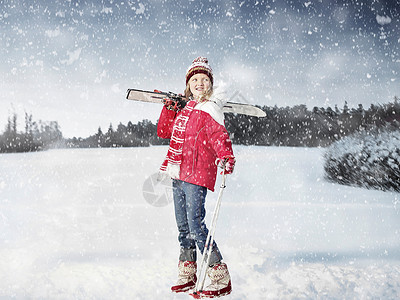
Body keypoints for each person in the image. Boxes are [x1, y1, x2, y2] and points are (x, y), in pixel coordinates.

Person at [157, 57, 235, 298]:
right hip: (178, 172)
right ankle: (187, 272)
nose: (199, 83)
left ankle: (220, 276)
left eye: (203, 79)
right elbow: (164, 132)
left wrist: (226, 156)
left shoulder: (210, 108)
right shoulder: (186, 109)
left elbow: (218, 136)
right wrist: (169, 109)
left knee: (196, 226)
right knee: (183, 227)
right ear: (188, 84)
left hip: (197, 174)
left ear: (210, 84)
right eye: (194, 79)